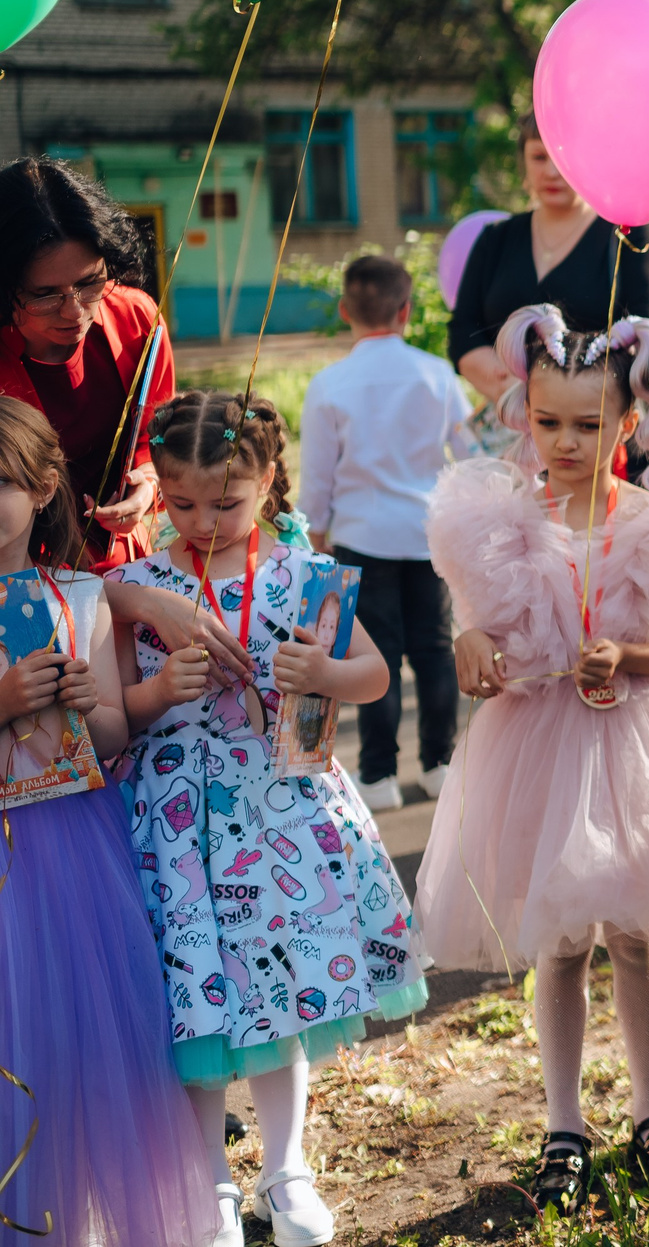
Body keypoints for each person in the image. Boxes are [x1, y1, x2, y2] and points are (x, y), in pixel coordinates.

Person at [416, 306, 649, 1215]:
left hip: (639, 741)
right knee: (558, 944)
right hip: (541, 740)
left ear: (628, 426)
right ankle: (563, 1121)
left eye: (587, 425)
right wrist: (469, 642)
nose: (562, 440)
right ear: (523, 413)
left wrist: (631, 658)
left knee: (638, 936)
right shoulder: (494, 519)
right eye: (546, 421)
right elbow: (475, 621)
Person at [109, 390, 427, 1247]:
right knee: (197, 1001)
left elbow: (372, 677)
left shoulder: (301, 570)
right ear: (159, 490)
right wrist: (151, 694)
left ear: (268, 478)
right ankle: (209, 1179)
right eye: (180, 503)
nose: (204, 520)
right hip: (178, 830)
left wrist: (324, 667)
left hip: (281, 813)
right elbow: (111, 715)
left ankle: (286, 1168)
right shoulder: (136, 586)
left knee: (282, 992)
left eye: (227, 501)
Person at [0, 397, 223, 1247]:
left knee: (77, 1038)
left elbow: (109, 739)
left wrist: (99, 705)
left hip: (76, 850)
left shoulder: (82, 595)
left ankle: (75, 1222)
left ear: (43, 483)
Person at [300, 254, 479, 813]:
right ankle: (438, 763)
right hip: (429, 533)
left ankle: (378, 774)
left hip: (360, 534)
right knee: (433, 650)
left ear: (344, 311)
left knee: (370, 656)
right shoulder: (437, 374)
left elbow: (318, 474)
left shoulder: (329, 383)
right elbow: (471, 453)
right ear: (406, 311)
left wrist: (314, 533)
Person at [0, 156, 178, 567]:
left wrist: (148, 483)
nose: (75, 312)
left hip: (127, 562)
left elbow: (157, 440)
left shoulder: (136, 319)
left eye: (89, 282)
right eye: (45, 294)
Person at [446, 116, 649, 407]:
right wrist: (522, 392)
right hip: (510, 427)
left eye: (564, 156)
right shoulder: (496, 239)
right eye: (539, 157)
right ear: (523, 161)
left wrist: (565, 395)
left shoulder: (627, 232)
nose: (552, 171)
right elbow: (463, 332)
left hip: (600, 427)